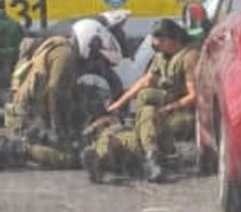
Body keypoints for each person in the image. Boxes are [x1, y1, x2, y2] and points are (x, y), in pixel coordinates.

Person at [0, 18, 124, 171]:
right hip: (28, 118)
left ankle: (21, 144)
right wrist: (57, 130)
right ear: (89, 41)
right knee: (72, 158)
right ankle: (15, 149)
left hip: (25, 111)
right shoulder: (65, 55)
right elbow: (54, 91)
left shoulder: (59, 45)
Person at [83, 16, 204, 184]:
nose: (155, 44)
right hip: (159, 115)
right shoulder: (162, 56)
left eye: (159, 40)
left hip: (181, 115)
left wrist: (168, 109)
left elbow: (195, 95)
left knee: (147, 115)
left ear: (170, 39)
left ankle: (143, 158)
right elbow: (144, 82)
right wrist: (117, 105)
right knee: (124, 129)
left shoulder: (189, 57)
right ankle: (107, 155)